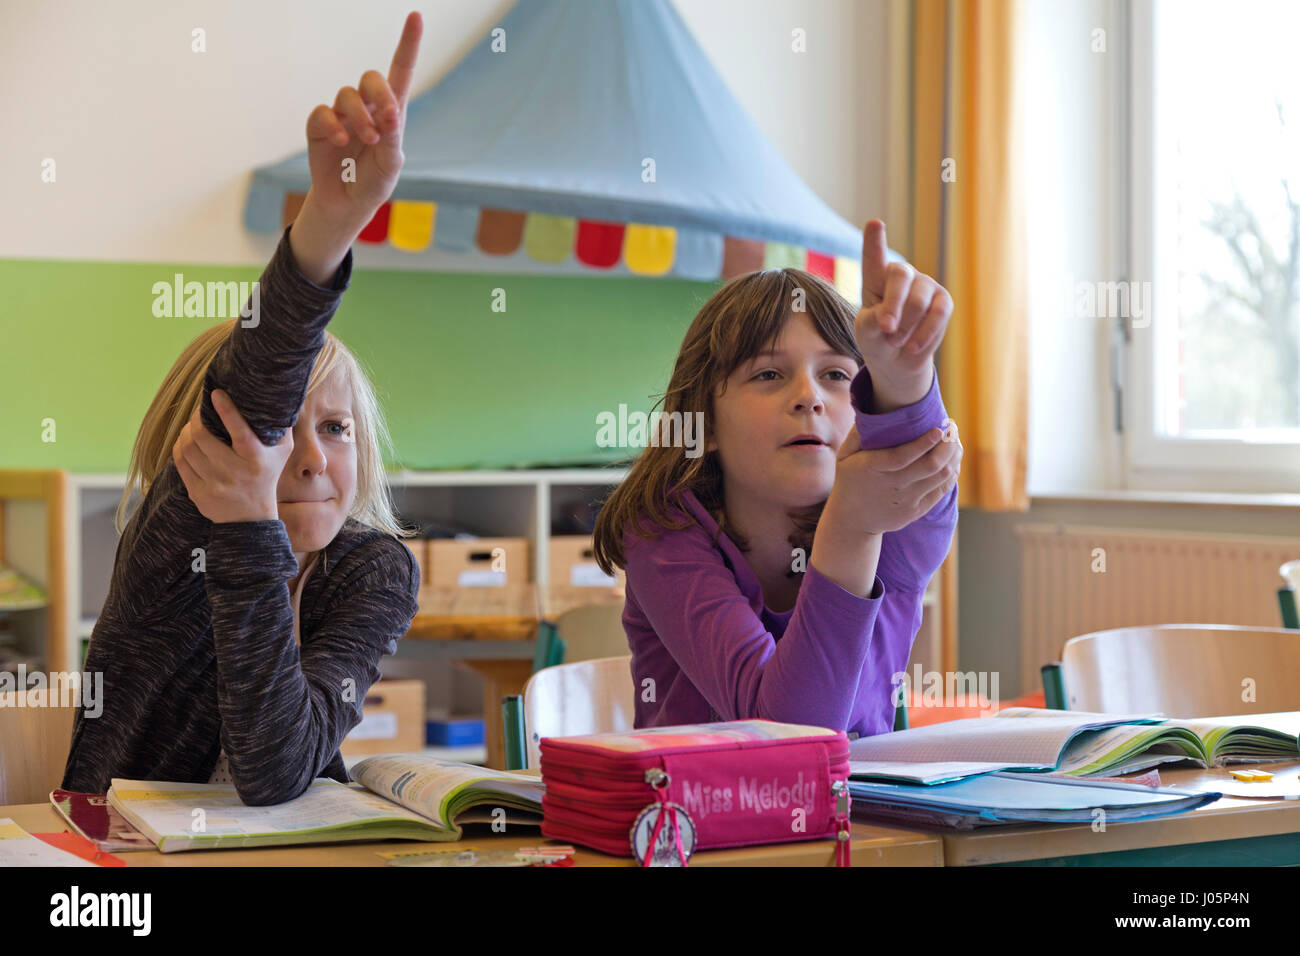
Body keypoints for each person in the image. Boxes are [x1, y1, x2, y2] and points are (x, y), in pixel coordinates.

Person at [62, 12, 426, 805]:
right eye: (280, 430)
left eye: (335, 429)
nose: (311, 456)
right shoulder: (177, 534)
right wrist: (329, 222)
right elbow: (265, 777)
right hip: (124, 857)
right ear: (204, 450)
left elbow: (283, 769)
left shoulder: (372, 568)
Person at [591, 220, 961, 737]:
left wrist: (905, 372)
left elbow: (917, 456)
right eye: (768, 375)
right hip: (699, 816)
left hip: (870, 820)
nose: (808, 396)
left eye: (836, 375)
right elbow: (789, 735)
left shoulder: (897, 515)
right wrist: (850, 528)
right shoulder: (664, 533)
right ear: (706, 423)